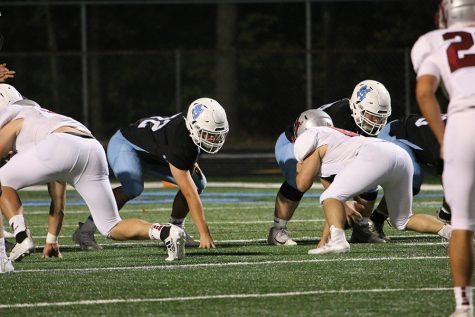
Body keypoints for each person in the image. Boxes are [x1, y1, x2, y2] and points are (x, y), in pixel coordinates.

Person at [0, 93, 186, 262]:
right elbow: (58, 202)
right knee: (111, 226)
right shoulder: (47, 119)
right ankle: (165, 232)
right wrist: (51, 240)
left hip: (60, 145)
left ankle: (21, 237)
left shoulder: (17, 118)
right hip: (91, 148)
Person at [72, 97, 229, 250]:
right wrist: (204, 233)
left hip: (154, 153)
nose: (214, 139)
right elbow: (189, 193)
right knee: (133, 187)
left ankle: (176, 227)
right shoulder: (180, 140)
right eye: (208, 134)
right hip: (126, 145)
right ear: (193, 126)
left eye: (216, 134)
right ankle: (85, 230)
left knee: (198, 182)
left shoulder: (187, 130)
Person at [293, 125, 452, 255]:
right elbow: (334, 204)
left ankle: (338, 241)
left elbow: (302, 184)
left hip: (376, 155)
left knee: (330, 196)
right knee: (403, 220)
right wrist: (323, 242)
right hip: (399, 155)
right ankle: (452, 232)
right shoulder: (333, 142)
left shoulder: (310, 137)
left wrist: (299, 165)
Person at [268, 79, 391, 246]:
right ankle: (278, 230)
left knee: (370, 178)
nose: (376, 122)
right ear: (357, 107)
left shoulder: (363, 123)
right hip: (295, 144)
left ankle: (362, 228)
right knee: (301, 182)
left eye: (380, 118)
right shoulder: (338, 119)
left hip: (324, 150)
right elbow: (322, 165)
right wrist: (342, 198)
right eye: (371, 116)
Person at [411, 0, 475, 316]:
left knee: (462, 223)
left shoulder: (431, 41)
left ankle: (463, 306)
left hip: (463, 122)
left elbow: (425, 92)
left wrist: (442, 138)